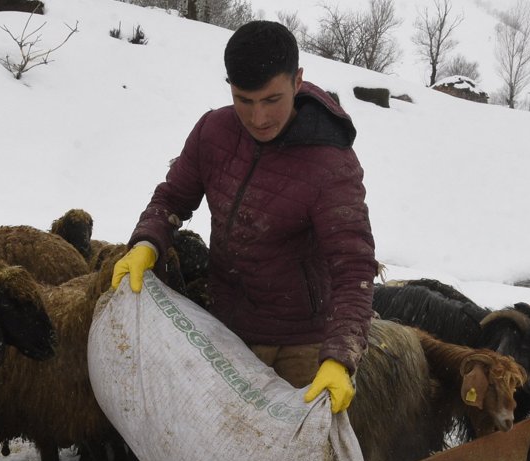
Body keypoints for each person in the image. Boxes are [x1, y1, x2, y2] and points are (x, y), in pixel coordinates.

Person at [111, 20, 377, 413]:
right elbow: (172, 198)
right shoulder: (213, 131)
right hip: (225, 328)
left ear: (298, 80)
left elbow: (353, 267)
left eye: (272, 100)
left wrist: (339, 357)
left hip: (299, 343)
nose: (258, 118)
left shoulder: (331, 163)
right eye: (243, 100)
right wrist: (147, 243)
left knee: (289, 459)